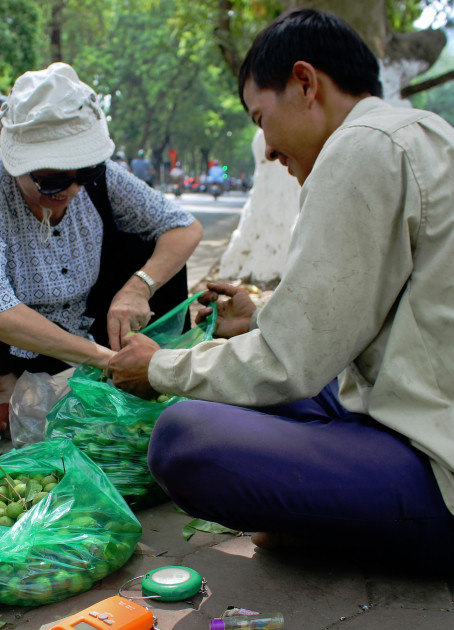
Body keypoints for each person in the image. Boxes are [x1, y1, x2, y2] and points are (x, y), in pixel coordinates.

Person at [108, 8, 454, 572]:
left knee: (183, 439)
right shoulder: (421, 133)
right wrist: (261, 316)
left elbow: (289, 363)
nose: (266, 148)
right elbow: (367, 311)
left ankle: (341, 528)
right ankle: (322, 517)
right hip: (413, 405)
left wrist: (160, 367)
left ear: (305, 83)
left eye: (260, 117)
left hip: (437, 473)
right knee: (259, 391)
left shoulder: (359, 150)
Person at [0, 63, 202, 447]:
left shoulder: (102, 176)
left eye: (81, 175)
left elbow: (184, 226)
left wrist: (138, 288)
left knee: (154, 252)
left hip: (89, 323)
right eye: (50, 180)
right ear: (17, 164)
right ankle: (0, 395)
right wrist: (103, 360)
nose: (69, 190)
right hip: (18, 345)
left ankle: (148, 375)